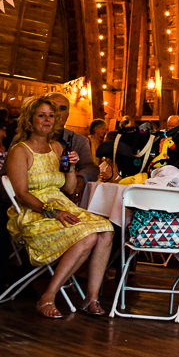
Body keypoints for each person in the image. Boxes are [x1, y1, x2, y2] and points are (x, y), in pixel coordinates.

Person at [5, 94, 115, 318]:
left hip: (62, 205)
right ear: (29, 119)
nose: (47, 120)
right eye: (41, 116)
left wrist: (72, 168)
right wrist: (52, 211)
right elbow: (22, 194)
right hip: (35, 212)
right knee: (88, 236)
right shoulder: (20, 151)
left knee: (106, 230)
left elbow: (69, 188)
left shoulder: (56, 147)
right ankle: (48, 295)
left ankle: (91, 298)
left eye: (51, 116)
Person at [47, 90, 100, 184]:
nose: (58, 113)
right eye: (53, 108)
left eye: (62, 108)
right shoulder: (26, 138)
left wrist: (80, 179)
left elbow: (91, 168)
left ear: (68, 113)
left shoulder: (78, 141)